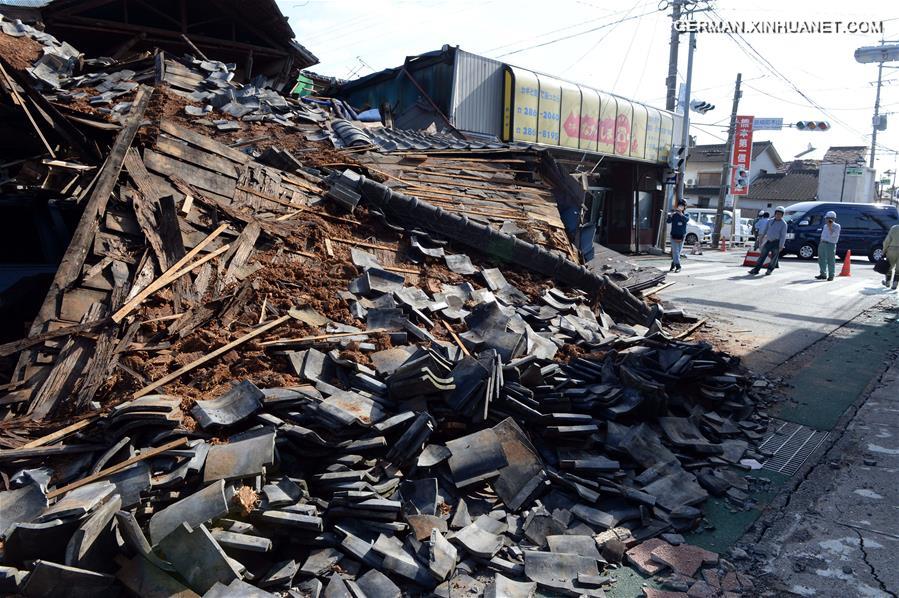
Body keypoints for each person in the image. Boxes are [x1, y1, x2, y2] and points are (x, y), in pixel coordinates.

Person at [750, 206, 787, 276]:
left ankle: (769, 270)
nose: (778, 215)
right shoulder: (770, 221)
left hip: (776, 242)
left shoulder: (783, 224)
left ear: (782, 215)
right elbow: (765, 231)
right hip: (768, 241)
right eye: (777, 214)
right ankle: (756, 269)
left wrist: (781, 246)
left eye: (780, 214)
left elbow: (783, 236)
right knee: (762, 256)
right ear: (775, 213)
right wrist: (761, 239)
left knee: (774, 258)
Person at [815, 210, 840, 281]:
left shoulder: (837, 226)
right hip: (823, 243)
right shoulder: (825, 226)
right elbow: (823, 235)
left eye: (828, 218)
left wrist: (830, 227)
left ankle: (831, 275)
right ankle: (823, 274)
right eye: (826, 218)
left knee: (830, 260)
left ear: (833, 219)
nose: (827, 220)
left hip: (831, 244)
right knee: (821, 259)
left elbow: (834, 235)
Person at [666, 199, 689, 273]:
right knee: (675, 252)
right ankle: (678, 266)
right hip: (674, 235)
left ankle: (673, 264)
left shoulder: (686, 214)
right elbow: (668, 221)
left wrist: (681, 214)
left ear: (684, 207)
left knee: (678, 252)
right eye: (679, 205)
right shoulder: (674, 214)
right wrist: (670, 216)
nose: (681, 207)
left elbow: (686, 220)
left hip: (682, 236)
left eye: (682, 206)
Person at [883, 223, 899, 290]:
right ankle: (895, 284)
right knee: (898, 269)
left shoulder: (894, 228)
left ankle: (888, 282)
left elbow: (887, 241)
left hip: (892, 249)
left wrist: (884, 250)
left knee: (889, 267)